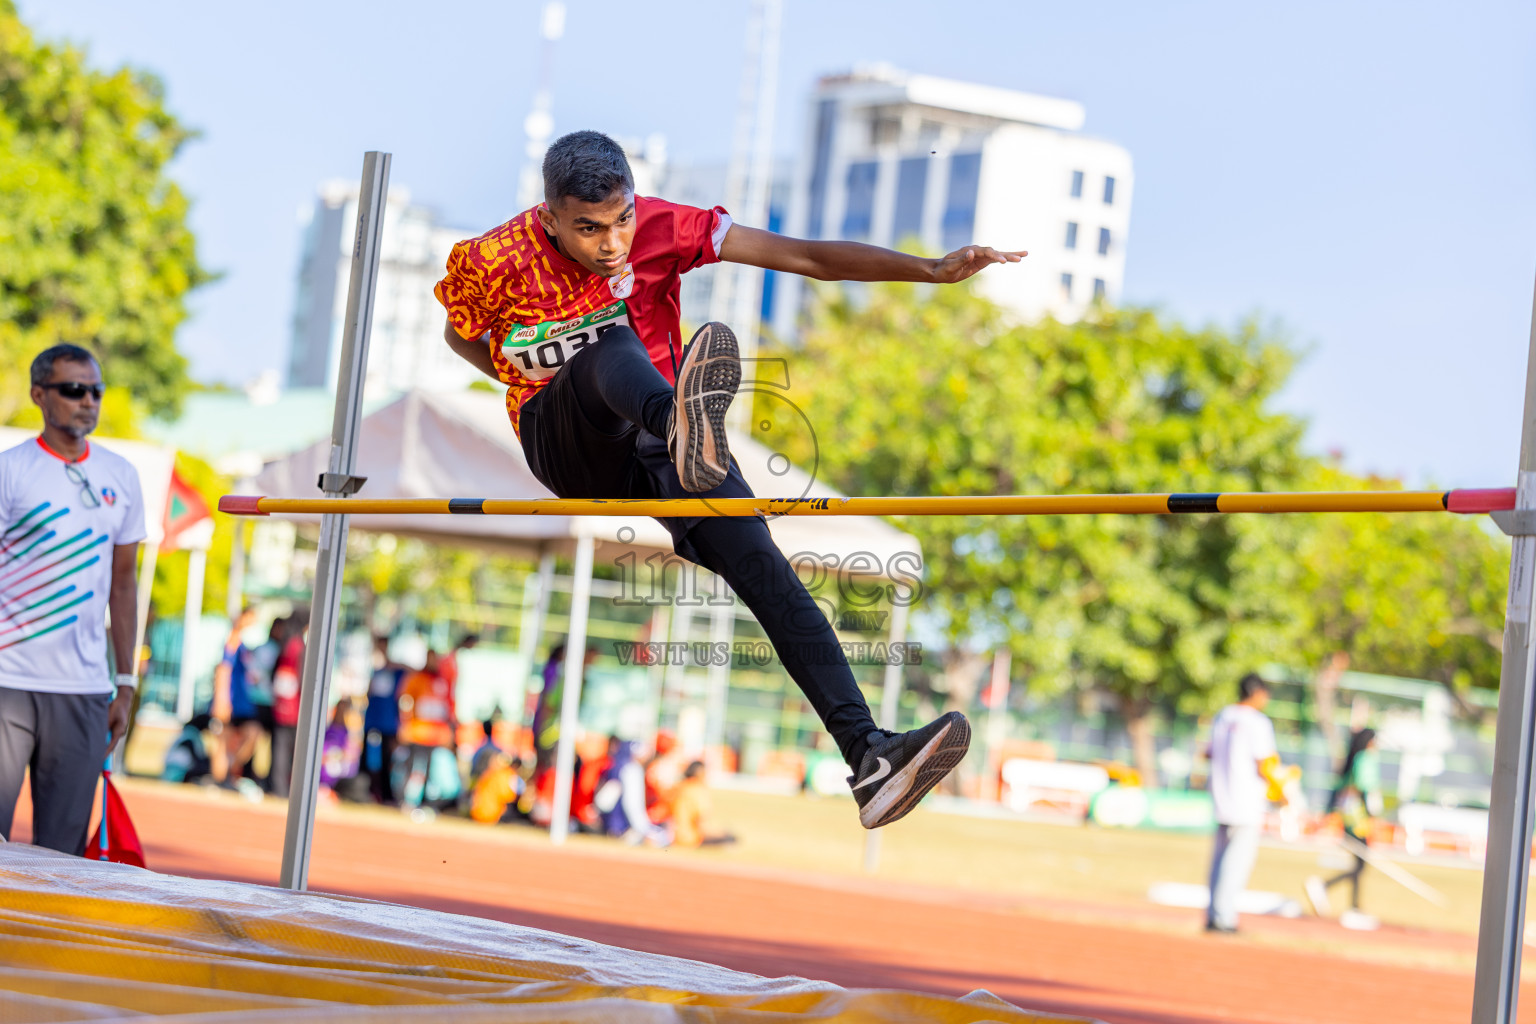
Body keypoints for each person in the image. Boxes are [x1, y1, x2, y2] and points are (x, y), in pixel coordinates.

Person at [434, 132, 1016, 827]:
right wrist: (518, 372)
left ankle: (867, 757)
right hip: (568, 440)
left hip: (670, 453)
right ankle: (678, 422)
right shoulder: (492, 258)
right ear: (550, 215)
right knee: (609, 342)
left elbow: (800, 255)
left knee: (766, 570)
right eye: (588, 229)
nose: (613, 243)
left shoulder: (662, 225)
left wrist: (929, 269)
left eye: (621, 219)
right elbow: (459, 334)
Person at [0, 345, 146, 854]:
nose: (88, 401)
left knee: (61, 860)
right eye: (74, 390)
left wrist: (124, 683)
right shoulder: (10, 471)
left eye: (96, 391)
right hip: (7, 683)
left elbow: (123, 585)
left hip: (83, 691)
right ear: (40, 395)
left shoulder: (122, 477)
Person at [1205, 673, 1288, 934]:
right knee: (1237, 861)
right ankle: (1224, 917)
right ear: (1257, 693)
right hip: (1246, 801)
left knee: (1219, 860)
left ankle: (1214, 913)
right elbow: (1263, 762)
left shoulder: (1223, 716)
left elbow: (1208, 751)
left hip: (1221, 795)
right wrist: (1281, 792)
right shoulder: (1257, 722)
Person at [1306, 727, 1382, 927]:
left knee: (1358, 862)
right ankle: (1324, 886)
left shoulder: (1351, 760)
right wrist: (1371, 817)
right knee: (1360, 863)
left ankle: (1354, 907)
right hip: (1359, 818)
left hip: (1348, 815)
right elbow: (1365, 789)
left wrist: (1329, 811)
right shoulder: (1365, 759)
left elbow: (1337, 788)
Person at [398, 651, 459, 811]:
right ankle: (409, 801)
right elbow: (405, 701)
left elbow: (449, 708)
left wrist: (450, 732)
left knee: (434, 771)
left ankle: (427, 804)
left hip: (437, 736)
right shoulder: (417, 679)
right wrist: (405, 724)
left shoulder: (444, 681)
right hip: (418, 733)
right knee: (415, 768)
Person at [210, 607, 261, 784]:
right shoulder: (232, 639)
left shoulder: (242, 643)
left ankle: (229, 775)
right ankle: (219, 781)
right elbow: (223, 669)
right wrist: (221, 700)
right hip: (231, 701)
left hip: (242, 703)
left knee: (251, 735)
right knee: (223, 741)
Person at [362, 633, 407, 804]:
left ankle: (387, 794)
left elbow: (412, 669)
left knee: (387, 759)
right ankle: (368, 789)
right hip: (372, 721)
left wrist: (389, 661)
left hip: (388, 722)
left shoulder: (395, 671)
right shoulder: (374, 670)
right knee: (367, 758)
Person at [269, 612, 308, 798]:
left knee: (278, 748)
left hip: (280, 705)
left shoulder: (284, 645)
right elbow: (302, 680)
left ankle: (277, 786)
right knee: (290, 751)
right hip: (294, 708)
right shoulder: (299, 647)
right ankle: (284, 788)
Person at [670, 760, 737, 849]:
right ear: (702, 773)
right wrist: (721, 834)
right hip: (690, 838)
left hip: (670, 835)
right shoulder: (698, 790)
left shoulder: (679, 786)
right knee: (730, 838)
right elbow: (702, 826)